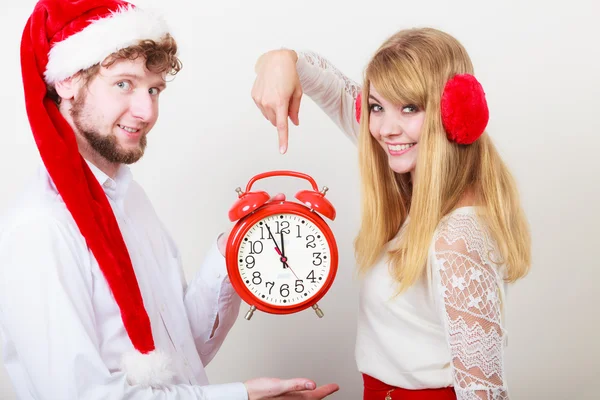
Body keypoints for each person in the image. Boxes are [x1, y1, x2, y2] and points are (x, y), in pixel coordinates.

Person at [0, 0, 339, 399]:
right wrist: (241, 396)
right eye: (123, 84)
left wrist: (233, 249)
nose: (145, 111)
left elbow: (179, 352)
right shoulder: (41, 228)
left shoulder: (129, 198)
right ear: (68, 81)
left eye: (154, 89)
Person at [251, 28, 531, 399]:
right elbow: (328, 86)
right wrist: (280, 58)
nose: (385, 129)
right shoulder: (407, 163)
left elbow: (484, 393)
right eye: (377, 106)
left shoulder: (458, 237)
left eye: (410, 107)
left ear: (455, 113)